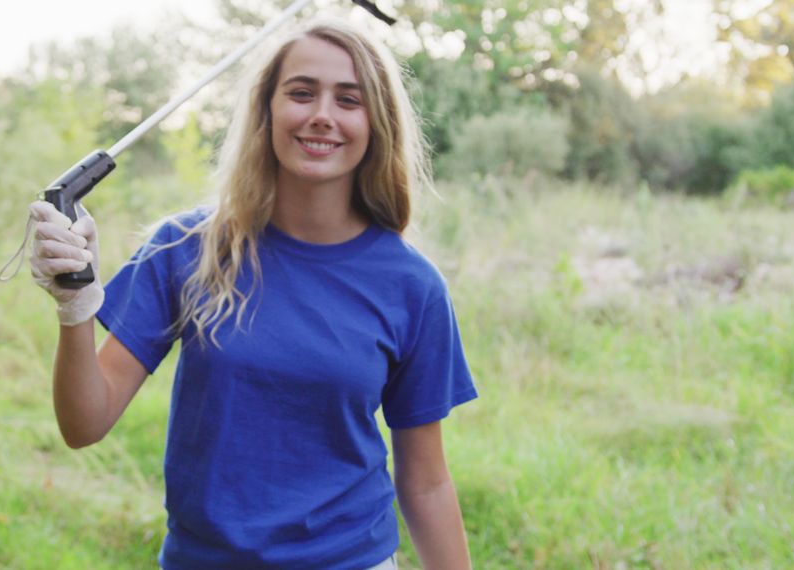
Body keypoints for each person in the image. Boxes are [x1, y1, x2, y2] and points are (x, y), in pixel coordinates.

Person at [28, 18, 477, 570]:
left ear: (376, 123)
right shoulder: (185, 248)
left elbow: (426, 482)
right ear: (266, 110)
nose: (322, 115)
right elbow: (83, 424)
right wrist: (75, 302)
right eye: (302, 92)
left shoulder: (413, 286)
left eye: (349, 99)